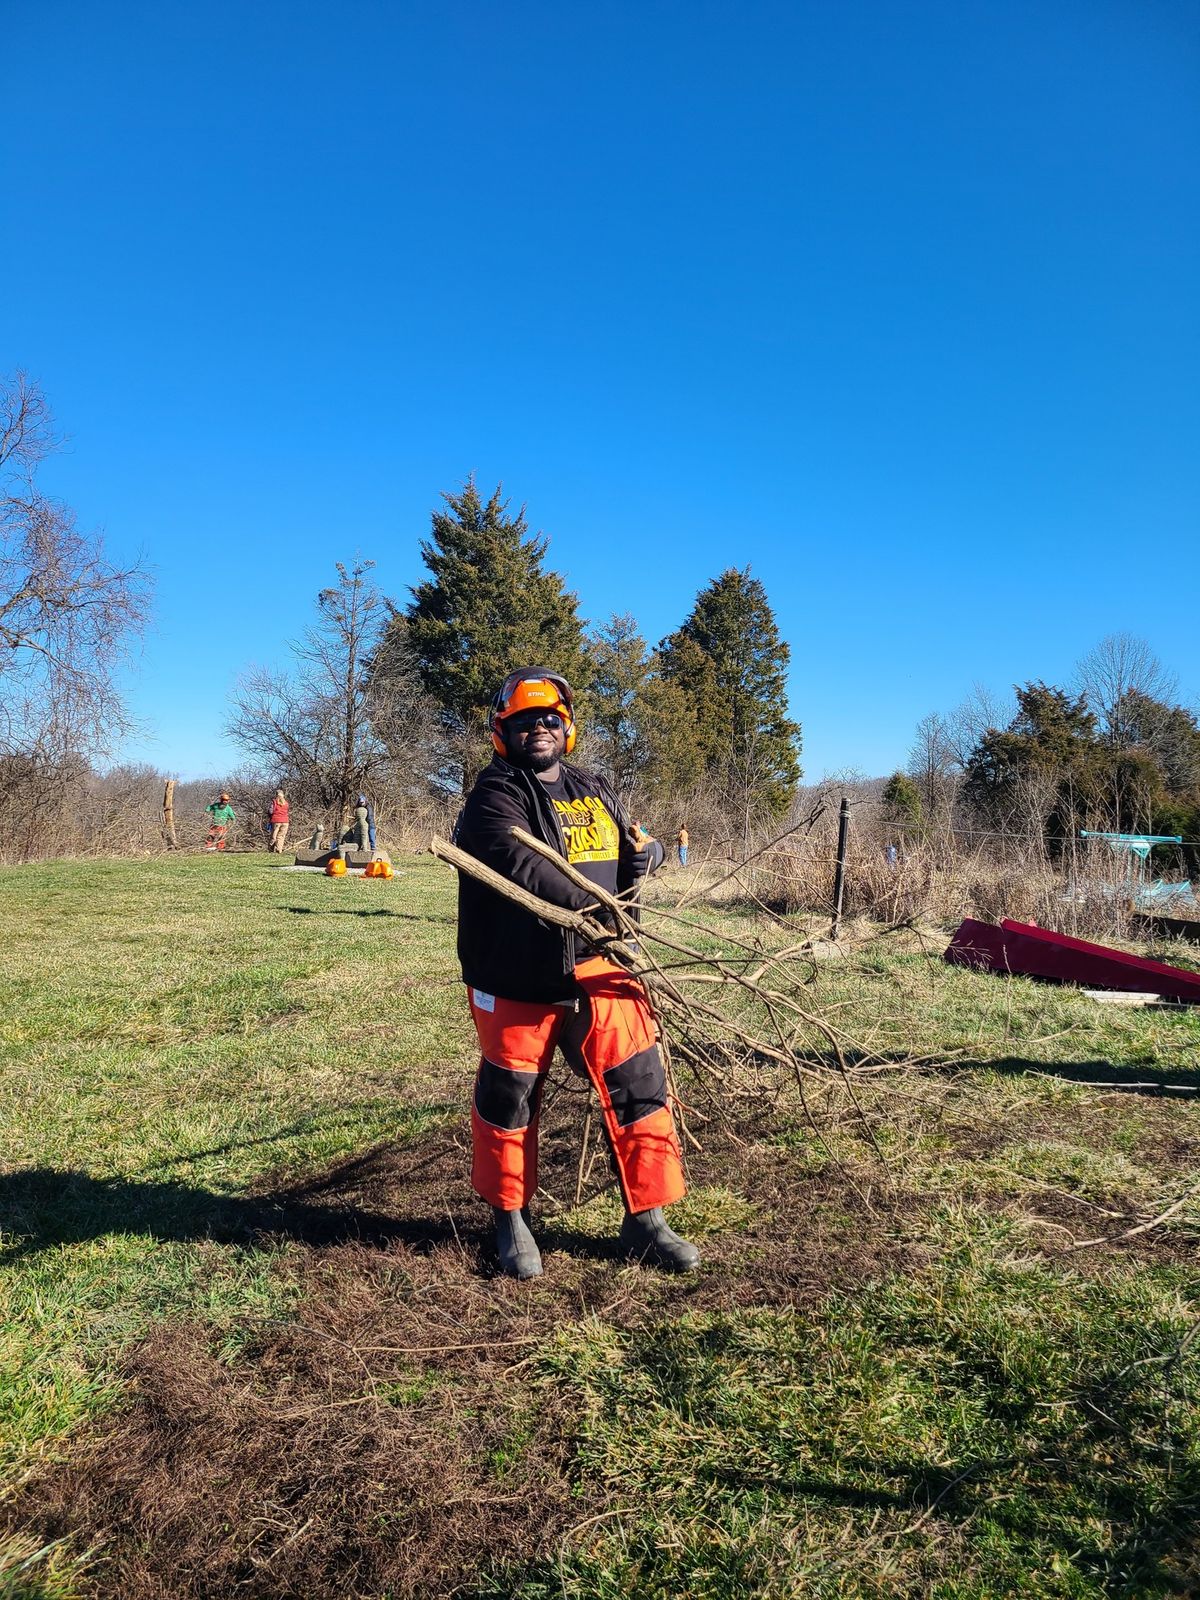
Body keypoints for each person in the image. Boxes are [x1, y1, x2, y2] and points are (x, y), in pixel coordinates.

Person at [453, 667, 699, 1280]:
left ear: (567, 728)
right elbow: (521, 866)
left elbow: (631, 848)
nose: (538, 728)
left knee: (640, 1086)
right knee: (508, 1095)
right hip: (517, 976)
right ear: (499, 732)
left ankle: (647, 1219)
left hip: (602, 965)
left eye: (549, 719)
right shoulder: (493, 794)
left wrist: (649, 855)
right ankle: (509, 1218)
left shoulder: (594, 787)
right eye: (523, 721)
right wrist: (600, 906)